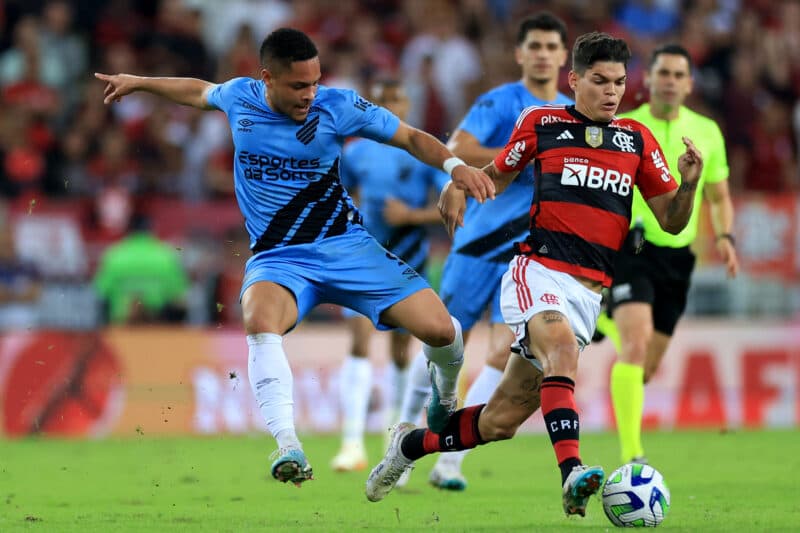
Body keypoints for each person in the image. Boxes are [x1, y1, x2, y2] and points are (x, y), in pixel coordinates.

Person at [95, 27, 495, 487]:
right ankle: (288, 445)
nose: (310, 94)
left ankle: (443, 399)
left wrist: (455, 166)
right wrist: (140, 81)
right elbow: (197, 91)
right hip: (280, 258)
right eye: (298, 85)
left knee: (444, 331)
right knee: (259, 319)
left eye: (315, 82)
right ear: (266, 78)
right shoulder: (239, 98)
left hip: (347, 247)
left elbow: (408, 136)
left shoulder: (338, 106)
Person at [366, 32, 704, 519]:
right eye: (600, 81)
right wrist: (459, 185)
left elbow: (672, 219)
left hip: (589, 293)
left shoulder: (636, 140)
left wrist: (688, 184)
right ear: (575, 80)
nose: (612, 92)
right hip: (538, 271)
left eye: (619, 83)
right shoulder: (542, 124)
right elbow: (496, 176)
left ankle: (409, 446)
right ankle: (571, 473)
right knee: (561, 352)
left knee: (500, 422)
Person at [397, 12, 573, 491]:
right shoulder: (501, 102)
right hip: (480, 244)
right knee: (444, 340)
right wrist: (520, 149)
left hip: (531, 252)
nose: (541, 54)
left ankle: (451, 460)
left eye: (550, 46)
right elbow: (459, 146)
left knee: (506, 352)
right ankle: (401, 437)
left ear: (562, 56)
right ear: (520, 54)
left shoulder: (572, 115)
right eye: (533, 46)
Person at [595, 44, 738, 465]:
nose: (670, 81)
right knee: (634, 348)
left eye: (679, 75)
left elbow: (720, 196)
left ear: (689, 83)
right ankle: (633, 456)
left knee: (646, 366)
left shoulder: (708, 131)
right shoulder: (625, 126)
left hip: (678, 255)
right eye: (663, 73)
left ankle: (604, 316)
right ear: (649, 79)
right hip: (632, 244)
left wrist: (726, 236)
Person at [331, 79, 450, 472]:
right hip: (365, 259)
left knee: (401, 353)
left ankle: (392, 438)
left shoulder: (420, 150)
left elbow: (449, 206)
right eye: (380, 100)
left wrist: (411, 216)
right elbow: (339, 194)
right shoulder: (356, 152)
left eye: (394, 98)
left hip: (409, 262)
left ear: (407, 102)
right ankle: (351, 443)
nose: (387, 105)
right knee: (359, 341)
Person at [93, 213, 189, 325]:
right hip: (156, 328)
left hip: (121, 329)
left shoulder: (114, 255)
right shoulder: (166, 255)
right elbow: (179, 297)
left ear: (128, 231)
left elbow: (100, 291)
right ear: (152, 230)